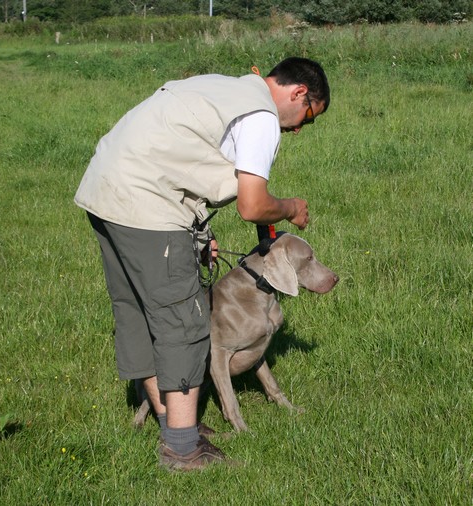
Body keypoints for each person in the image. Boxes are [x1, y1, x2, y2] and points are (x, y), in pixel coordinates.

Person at [74, 56, 329, 471]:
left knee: (138, 312)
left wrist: (197, 232)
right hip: (146, 203)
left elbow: (181, 152)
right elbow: (252, 205)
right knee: (185, 322)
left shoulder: (225, 86)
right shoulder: (262, 115)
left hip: (106, 187)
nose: (298, 128)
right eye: (307, 117)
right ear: (299, 93)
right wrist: (290, 208)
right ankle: (181, 450)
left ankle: (175, 423)